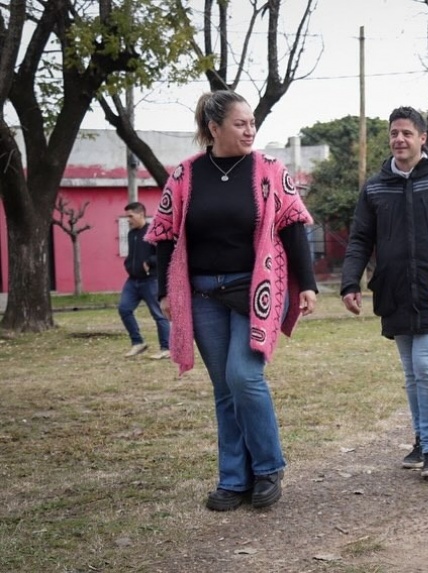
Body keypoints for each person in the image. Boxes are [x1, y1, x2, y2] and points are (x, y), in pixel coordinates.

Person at [145, 90, 318, 511]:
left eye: (252, 123)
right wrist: (167, 291)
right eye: (240, 123)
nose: (249, 130)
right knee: (224, 386)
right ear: (214, 128)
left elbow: (294, 226)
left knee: (244, 376)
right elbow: (165, 234)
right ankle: (233, 479)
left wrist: (308, 284)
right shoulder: (185, 175)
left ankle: (268, 468)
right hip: (202, 292)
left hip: (256, 287)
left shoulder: (270, 170)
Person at [340, 106, 428, 481]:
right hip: (395, 290)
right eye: (393, 133)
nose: (399, 139)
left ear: (422, 138)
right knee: (411, 372)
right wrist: (349, 282)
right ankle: (421, 440)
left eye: (406, 133)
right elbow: (360, 240)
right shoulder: (374, 187)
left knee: (426, 366)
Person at [119, 202, 171, 359]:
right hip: (133, 280)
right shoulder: (131, 234)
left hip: (150, 280)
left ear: (141, 214)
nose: (128, 219)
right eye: (127, 216)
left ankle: (166, 348)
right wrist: (128, 264)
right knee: (124, 309)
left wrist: (149, 261)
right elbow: (132, 254)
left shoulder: (153, 230)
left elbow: (163, 254)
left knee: (158, 314)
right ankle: (137, 343)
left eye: (130, 216)